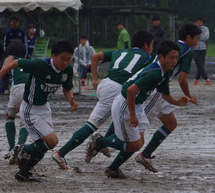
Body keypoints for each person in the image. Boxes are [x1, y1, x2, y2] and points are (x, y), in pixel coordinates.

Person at [86, 39, 190, 178]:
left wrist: (179, 102)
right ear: (161, 57)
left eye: (177, 58)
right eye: (171, 57)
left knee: (138, 142)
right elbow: (130, 90)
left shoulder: (164, 72)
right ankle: (99, 142)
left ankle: (111, 166)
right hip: (125, 104)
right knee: (134, 145)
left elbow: (165, 94)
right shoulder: (154, 72)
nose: (175, 61)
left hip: (136, 105)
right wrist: (133, 115)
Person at [51, 31, 154, 170]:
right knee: (92, 125)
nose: (152, 48)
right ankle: (64, 152)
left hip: (106, 84)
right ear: (146, 45)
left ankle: (101, 144)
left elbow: (95, 56)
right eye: (151, 45)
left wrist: (94, 78)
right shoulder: (147, 57)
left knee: (115, 117)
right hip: (117, 89)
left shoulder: (120, 52)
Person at [0, 39, 78, 182]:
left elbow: (67, 89)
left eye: (68, 59)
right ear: (53, 55)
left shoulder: (67, 70)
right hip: (30, 109)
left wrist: (71, 100)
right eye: (62, 59)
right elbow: (14, 62)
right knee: (52, 141)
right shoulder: (40, 65)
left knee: (45, 144)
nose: (65, 63)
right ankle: (25, 151)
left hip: (45, 108)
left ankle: (24, 171)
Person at [135, 23, 201, 173]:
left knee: (171, 123)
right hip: (156, 90)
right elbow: (183, 79)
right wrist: (189, 96)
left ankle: (145, 155)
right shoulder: (187, 51)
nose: (198, 42)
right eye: (197, 38)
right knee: (137, 129)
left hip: (160, 88)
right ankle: (104, 144)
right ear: (189, 37)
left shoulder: (171, 46)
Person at [0, 40, 30, 164]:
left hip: (16, 89)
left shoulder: (9, 60)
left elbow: (4, 73)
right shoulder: (28, 61)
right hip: (28, 89)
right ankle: (20, 145)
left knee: (9, 117)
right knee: (24, 120)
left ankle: (12, 148)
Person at [192, 17, 210, 85]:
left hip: (203, 48)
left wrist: (197, 36)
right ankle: (207, 78)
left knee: (201, 64)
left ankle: (196, 79)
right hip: (195, 49)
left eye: (201, 22)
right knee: (199, 64)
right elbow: (192, 37)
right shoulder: (192, 29)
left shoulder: (205, 28)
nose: (199, 24)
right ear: (195, 22)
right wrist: (200, 36)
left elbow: (206, 37)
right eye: (198, 22)